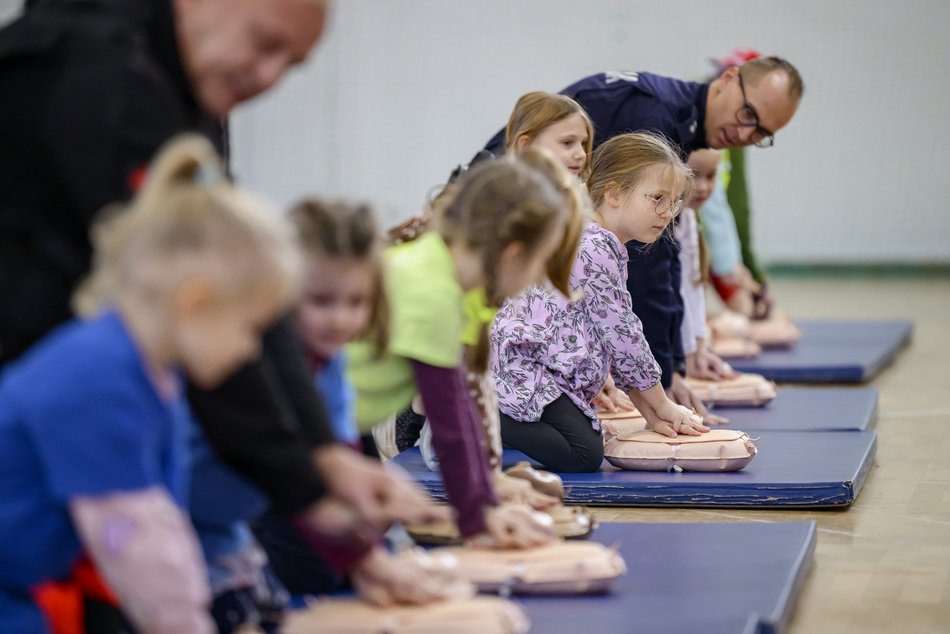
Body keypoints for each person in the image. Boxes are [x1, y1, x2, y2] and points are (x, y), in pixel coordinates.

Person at [0, 135, 306, 634]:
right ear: (195, 303)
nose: (252, 352)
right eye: (251, 329)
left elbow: (164, 520)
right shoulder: (100, 376)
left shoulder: (146, 374)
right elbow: (141, 544)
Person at [484, 56, 803, 423]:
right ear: (729, 79)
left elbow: (661, 265)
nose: (747, 134)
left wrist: (670, 366)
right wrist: (663, 385)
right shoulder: (657, 119)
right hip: (487, 240)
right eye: (749, 113)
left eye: (762, 134)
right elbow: (645, 276)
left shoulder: (676, 121)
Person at [348, 155, 583, 546]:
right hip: (307, 428)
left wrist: (486, 500)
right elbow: (450, 423)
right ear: (512, 255)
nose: (536, 279)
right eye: (540, 262)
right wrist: (477, 522)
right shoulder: (433, 292)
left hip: (342, 423)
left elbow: (465, 406)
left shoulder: (451, 279)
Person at [492, 132, 709, 473]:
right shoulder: (593, 248)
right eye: (657, 198)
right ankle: (473, 414)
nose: (667, 213)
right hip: (523, 370)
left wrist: (652, 414)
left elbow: (615, 340)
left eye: (675, 202)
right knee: (584, 453)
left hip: (538, 371)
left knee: (584, 440)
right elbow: (623, 335)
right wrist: (662, 403)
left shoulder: (598, 241)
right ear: (613, 193)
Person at [678, 149, 736, 380]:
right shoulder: (660, 224)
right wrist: (679, 357)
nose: (702, 187)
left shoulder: (689, 218)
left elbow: (692, 288)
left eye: (711, 176)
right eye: (693, 175)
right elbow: (671, 294)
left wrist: (698, 348)